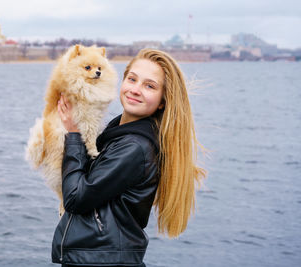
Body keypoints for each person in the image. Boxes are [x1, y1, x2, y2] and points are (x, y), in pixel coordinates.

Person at [52, 49, 207, 267]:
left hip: (103, 261)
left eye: (149, 86)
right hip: (100, 258)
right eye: (132, 79)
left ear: (162, 101)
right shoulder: (118, 133)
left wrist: (74, 135)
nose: (135, 89)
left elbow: (76, 198)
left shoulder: (134, 148)